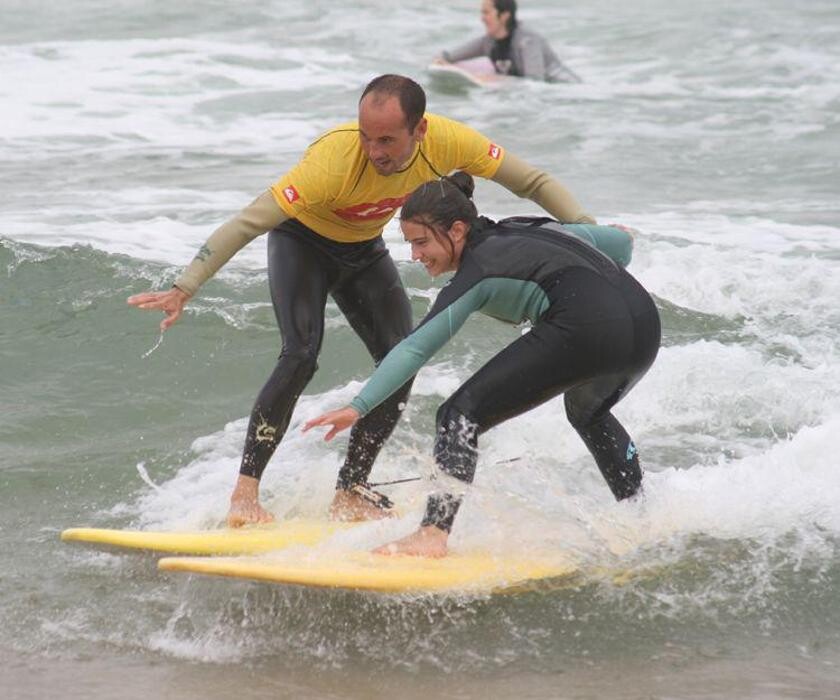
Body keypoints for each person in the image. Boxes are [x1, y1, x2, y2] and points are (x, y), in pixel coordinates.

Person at [127, 74, 597, 528]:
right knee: (300, 354)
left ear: (420, 130)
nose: (374, 152)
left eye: (388, 141)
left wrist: (589, 232)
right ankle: (245, 494)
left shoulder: (451, 143)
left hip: (364, 249)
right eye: (368, 138)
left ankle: (350, 491)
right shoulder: (332, 161)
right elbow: (251, 220)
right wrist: (186, 285)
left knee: (399, 358)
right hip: (302, 243)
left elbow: (531, 181)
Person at [304, 172, 660, 557]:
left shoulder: (479, 271)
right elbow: (621, 244)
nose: (416, 255)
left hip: (587, 329)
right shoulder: (530, 229)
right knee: (588, 413)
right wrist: (615, 241)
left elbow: (415, 349)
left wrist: (358, 407)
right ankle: (641, 515)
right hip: (644, 329)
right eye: (411, 244)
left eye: (422, 242)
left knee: (459, 414)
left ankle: (433, 535)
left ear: (457, 230)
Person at [437, 0, 580, 83]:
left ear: (504, 15)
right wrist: (443, 61)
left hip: (566, 91)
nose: (482, 18)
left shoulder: (528, 41)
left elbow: (535, 82)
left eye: (486, 12)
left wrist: (495, 79)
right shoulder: (487, 42)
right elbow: (448, 56)